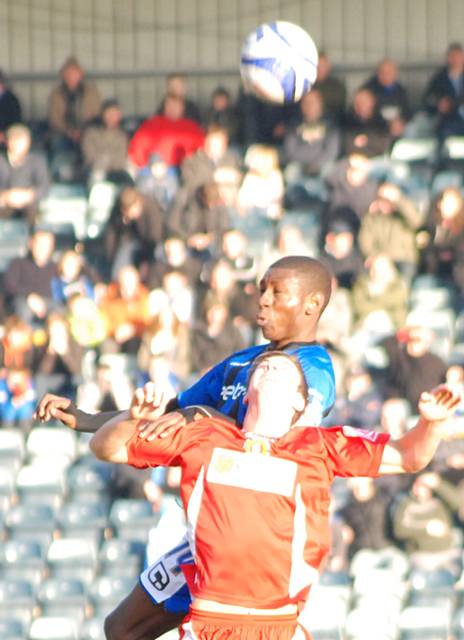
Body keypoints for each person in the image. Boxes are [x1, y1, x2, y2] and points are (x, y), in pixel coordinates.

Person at [35, 255, 336, 640]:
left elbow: (285, 442)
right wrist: (86, 418)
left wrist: (204, 417)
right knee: (122, 629)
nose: (263, 300)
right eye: (262, 290)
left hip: (254, 529)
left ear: (312, 304)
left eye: (278, 293)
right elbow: (173, 409)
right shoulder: (241, 362)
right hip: (210, 527)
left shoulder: (311, 369)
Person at [89, 351, 460, 640]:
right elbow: (105, 449)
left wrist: (431, 423)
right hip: (210, 620)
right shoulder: (204, 436)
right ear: (247, 393)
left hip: (279, 623)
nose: (268, 371)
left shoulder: (320, 445)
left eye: (281, 371)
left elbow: (409, 456)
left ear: (301, 402)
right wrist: (131, 420)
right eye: (261, 369)